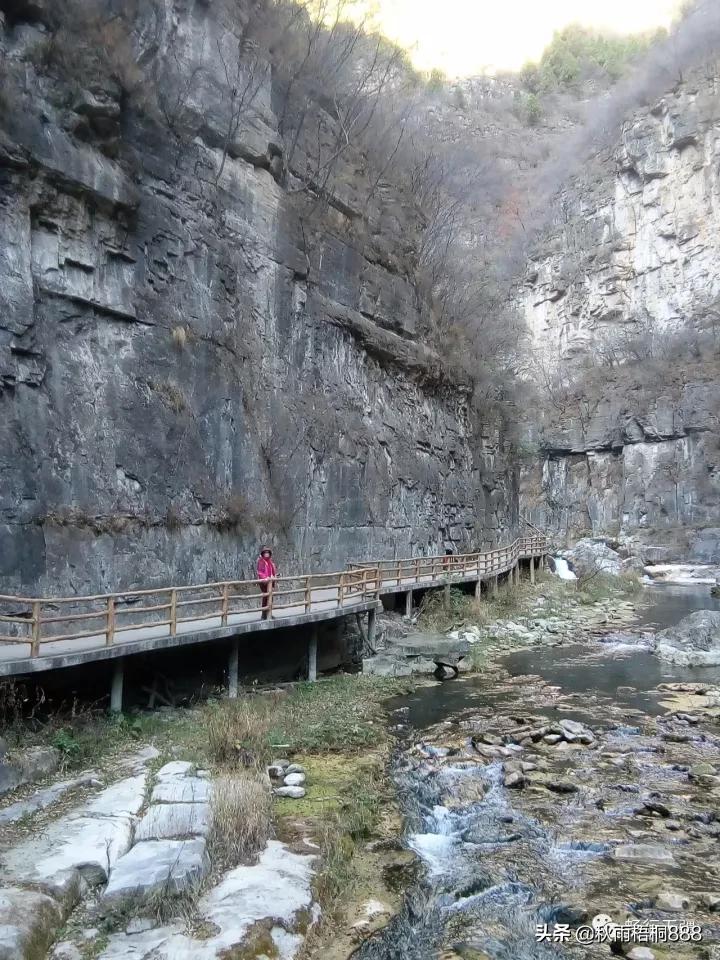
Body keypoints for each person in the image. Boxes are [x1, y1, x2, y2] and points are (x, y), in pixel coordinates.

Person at [256, 546, 277, 619]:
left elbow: (272, 571)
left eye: (268, 553)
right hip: (264, 582)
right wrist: (265, 578)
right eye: (265, 553)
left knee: (270, 597)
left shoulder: (270, 562)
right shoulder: (261, 561)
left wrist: (274, 576)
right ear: (263, 554)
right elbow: (260, 572)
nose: (267, 554)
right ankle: (264, 614)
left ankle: (269, 613)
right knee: (266, 597)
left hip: (271, 582)